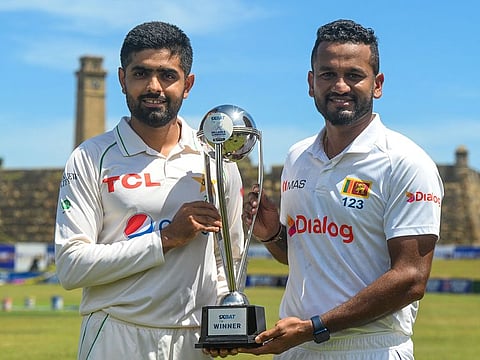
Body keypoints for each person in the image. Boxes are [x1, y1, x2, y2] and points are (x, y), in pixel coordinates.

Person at [241, 19, 443, 359]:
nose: (340, 86)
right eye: (327, 74)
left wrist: (315, 326)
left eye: (354, 75)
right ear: (311, 83)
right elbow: (307, 257)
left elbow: (411, 278)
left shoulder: (406, 162)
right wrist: (273, 234)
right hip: (298, 345)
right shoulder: (297, 157)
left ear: (377, 84)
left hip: (369, 348)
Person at [54, 21, 244, 360]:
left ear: (188, 84)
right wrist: (167, 238)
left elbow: (229, 258)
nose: (153, 86)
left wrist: (224, 322)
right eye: (141, 74)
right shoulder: (90, 157)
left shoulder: (216, 159)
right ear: (122, 79)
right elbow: (71, 267)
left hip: (193, 340)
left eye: (168, 76)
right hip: (116, 333)